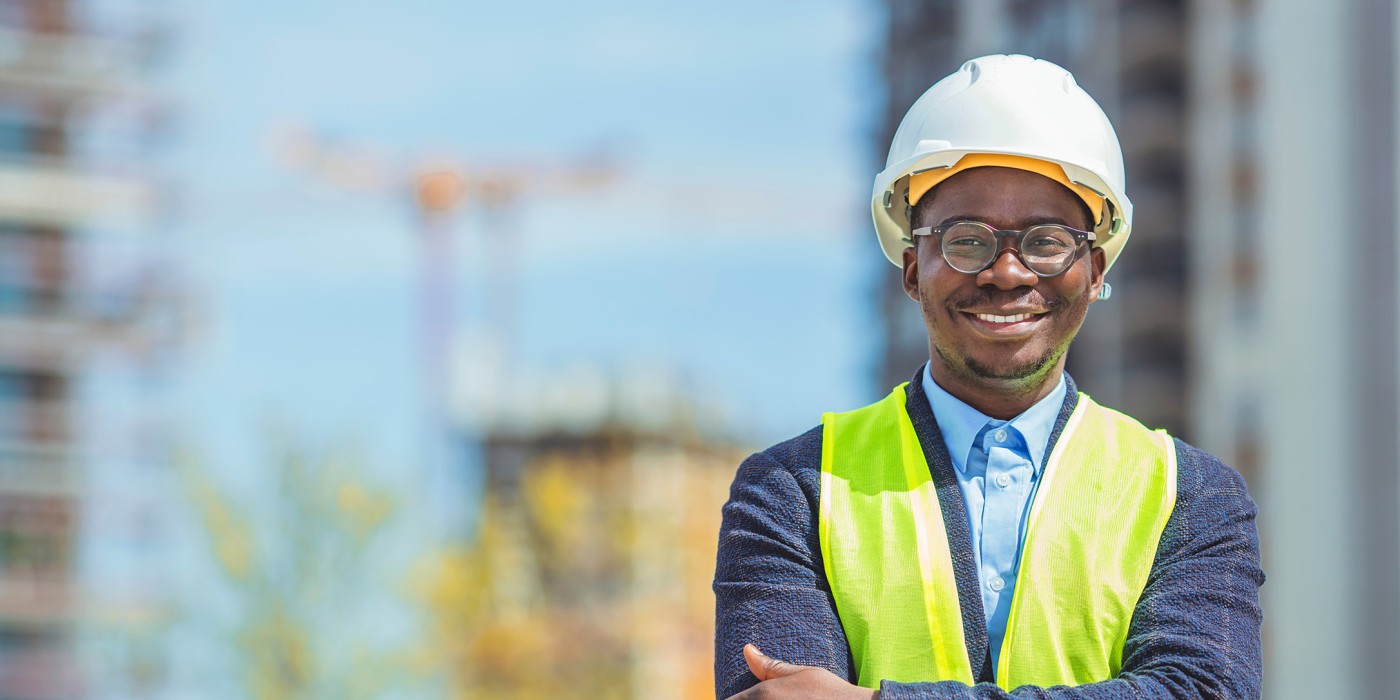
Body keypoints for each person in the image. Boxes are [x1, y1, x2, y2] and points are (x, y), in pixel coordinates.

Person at [712, 54, 1264, 700]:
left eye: (1047, 241)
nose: (1007, 272)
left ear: (1095, 271)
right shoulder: (791, 491)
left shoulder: (1191, 496)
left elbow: (1201, 691)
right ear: (912, 268)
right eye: (967, 240)